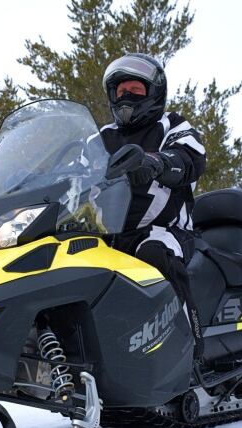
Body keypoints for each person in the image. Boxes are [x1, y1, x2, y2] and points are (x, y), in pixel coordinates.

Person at [99, 53, 206, 351]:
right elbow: (68, 167)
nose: (126, 97)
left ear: (154, 92)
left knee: (156, 255)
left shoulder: (173, 126)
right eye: (120, 91)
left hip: (163, 230)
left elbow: (190, 159)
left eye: (135, 90)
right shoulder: (101, 137)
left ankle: (190, 349)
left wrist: (156, 162)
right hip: (109, 235)